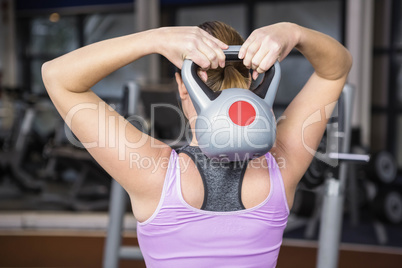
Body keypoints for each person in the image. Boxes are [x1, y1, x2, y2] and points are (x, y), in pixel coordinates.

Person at [42, 21, 352, 267]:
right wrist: (293, 32)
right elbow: (335, 70)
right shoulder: (281, 165)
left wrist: (156, 39)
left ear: (182, 83)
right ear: (250, 78)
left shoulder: (153, 173)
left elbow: (57, 77)